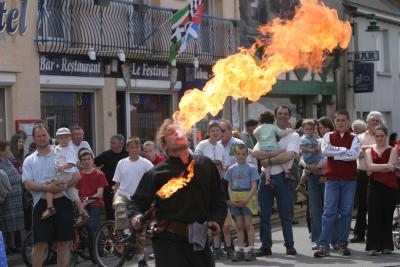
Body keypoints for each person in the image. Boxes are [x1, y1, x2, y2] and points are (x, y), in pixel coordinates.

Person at [128, 119, 227, 267]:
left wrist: (216, 220)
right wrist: (136, 217)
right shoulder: (156, 173)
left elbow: (218, 199)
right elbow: (136, 203)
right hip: (168, 241)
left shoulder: (205, 165)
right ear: (164, 144)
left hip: (198, 240)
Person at [22, 123, 78, 267]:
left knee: (63, 243)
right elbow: (27, 185)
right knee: (39, 244)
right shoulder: (29, 160)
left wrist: (65, 186)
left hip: (63, 202)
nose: (41, 138)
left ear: (49, 135)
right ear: (34, 139)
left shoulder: (62, 152)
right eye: (38, 136)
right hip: (41, 204)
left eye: (44, 135)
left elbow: (77, 176)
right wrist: (47, 187)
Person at [252, 105, 300, 257]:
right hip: (265, 176)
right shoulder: (266, 130)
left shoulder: (293, 136)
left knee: (285, 214)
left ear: (289, 116)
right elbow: (255, 152)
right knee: (264, 213)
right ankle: (266, 246)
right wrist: (270, 157)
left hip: (282, 178)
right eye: (280, 113)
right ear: (275, 116)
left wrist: (269, 160)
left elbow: (289, 155)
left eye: (286, 114)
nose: (283, 116)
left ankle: (290, 246)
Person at [314, 110, 361, 258]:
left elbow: (353, 155)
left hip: (349, 180)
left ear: (348, 121)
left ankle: (342, 244)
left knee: (346, 213)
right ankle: (323, 245)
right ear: (335, 122)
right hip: (332, 180)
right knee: (329, 212)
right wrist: (343, 151)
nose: (341, 123)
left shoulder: (355, 138)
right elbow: (325, 151)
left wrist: (336, 154)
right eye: (338, 120)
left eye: (343, 120)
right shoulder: (328, 136)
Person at [113, 137, 153, 267]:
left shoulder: (146, 164)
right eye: (131, 147)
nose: (134, 149)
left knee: (140, 231)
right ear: (127, 149)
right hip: (123, 194)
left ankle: (141, 259)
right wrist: (115, 196)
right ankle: (125, 233)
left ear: (140, 148)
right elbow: (117, 183)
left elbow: (154, 181)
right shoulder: (121, 163)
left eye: (137, 147)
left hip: (139, 199)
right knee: (119, 205)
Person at [194, 120, 227, 258]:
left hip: (216, 184)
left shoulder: (220, 147)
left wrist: (223, 167)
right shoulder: (202, 145)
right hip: (203, 185)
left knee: (216, 216)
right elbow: (195, 161)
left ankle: (216, 247)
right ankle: (201, 246)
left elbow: (223, 164)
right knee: (203, 216)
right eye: (212, 130)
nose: (215, 132)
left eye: (217, 130)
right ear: (208, 132)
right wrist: (213, 164)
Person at [351, 111, 384, 244]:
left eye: (377, 121)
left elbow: (382, 152)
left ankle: (375, 233)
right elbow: (355, 153)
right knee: (361, 205)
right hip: (362, 173)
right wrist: (368, 151)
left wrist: (366, 149)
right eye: (372, 120)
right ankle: (359, 233)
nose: (374, 123)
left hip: (378, 173)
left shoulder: (381, 136)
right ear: (368, 122)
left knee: (375, 205)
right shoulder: (359, 137)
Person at [41, 127, 87, 223]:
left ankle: (50, 207)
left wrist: (63, 167)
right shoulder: (58, 147)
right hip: (64, 174)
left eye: (66, 138)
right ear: (57, 139)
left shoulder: (69, 149)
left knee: (48, 185)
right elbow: (52, 149)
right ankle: (82, 213)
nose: (64, 140)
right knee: (72, 192)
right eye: (61, 138)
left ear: (70, 138)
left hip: (65, 173)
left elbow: (72, 163)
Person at [364, 125, 398, 255]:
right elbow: (369, 166)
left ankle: (386, 246)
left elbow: (391, 168)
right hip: (374, 186)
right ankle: (373, 246)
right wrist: (386, 166)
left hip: (390, 187)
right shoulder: (368, 151)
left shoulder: (393, 150)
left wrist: (374, 169)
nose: (379, 138)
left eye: (382, 136)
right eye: (377, 136)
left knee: (387, 216)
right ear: (374, 137)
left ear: (386, 136)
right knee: (373, 215)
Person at [224, 144, 259, 262]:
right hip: (236, 197)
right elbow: (229, 185)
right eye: (238, 154)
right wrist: (232, 199)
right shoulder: (231, 169)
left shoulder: (251, 168)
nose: (241, 156)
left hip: (247, 197)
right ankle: (240, 250)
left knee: (248, 225)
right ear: (235, 155)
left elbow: (254, 186)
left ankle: (250, 250)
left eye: (243, 154)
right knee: (239, 226)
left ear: (247, 154)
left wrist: (247, 199)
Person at [217, 119, 244, 258]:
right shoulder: (215, 145)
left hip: (235, 182)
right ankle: (226, 244)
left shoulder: (236, 144)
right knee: (222, 213)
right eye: (218, 130)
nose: (220, 133)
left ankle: (240, 246)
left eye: (223, 130)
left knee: (237, 215)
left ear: (230, 130)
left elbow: (242, 163)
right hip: (220, 182)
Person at [253, 110, 293, 187]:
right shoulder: (273, 127)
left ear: (261, 119)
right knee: (280, 158)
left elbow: (254, 133)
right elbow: (281, 133)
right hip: (273, 147)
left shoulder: (259, 127)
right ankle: (287, 171)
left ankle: (267, 179)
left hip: (263, 148)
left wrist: (259, 139)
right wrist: (288, 131)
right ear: (273, 119)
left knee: (268, 165)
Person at [94, 134, 129, 220]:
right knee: (110, 211)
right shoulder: (106, 154)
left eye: (113, 143)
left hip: (124, 187)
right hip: (109, 187)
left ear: (120, 144)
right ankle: (111, 230)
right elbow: (94, 163)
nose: (111, 145)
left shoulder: (127, 155)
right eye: (111, 143)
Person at [76, 148, 108, 237]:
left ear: (92, 159)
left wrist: (86, 201)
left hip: (95, 203)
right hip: (81, 204)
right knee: (78, 226)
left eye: (89, 159)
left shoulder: (99, 174)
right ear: (80, 162)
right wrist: (80, 205)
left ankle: (98, 249)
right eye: (84, 159)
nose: (87, 161)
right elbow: (75, 193)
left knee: (92, 226)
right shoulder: (79, 175)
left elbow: (99, 194)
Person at [0, 140, 24, 254]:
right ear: (1, 151)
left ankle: (12, 244)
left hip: (15, 197)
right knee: (6, 223)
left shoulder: (8, 160)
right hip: (7, 198)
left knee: (14, 224)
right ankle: (6, 245)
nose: (9, 152)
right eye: (7, 150)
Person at [297, 119, 326, 194]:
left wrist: (318, 147)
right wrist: (311, 150)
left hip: (314, 157)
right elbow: (301, 147)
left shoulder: (314, 138)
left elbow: (317, 147)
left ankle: (301, 184)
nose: (309, 131)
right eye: (307, 129)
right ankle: (301, 183)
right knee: (325, 160)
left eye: (311, 129)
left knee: (309, 170)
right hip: (309, 157)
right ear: (303, 130)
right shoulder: (303, 138)